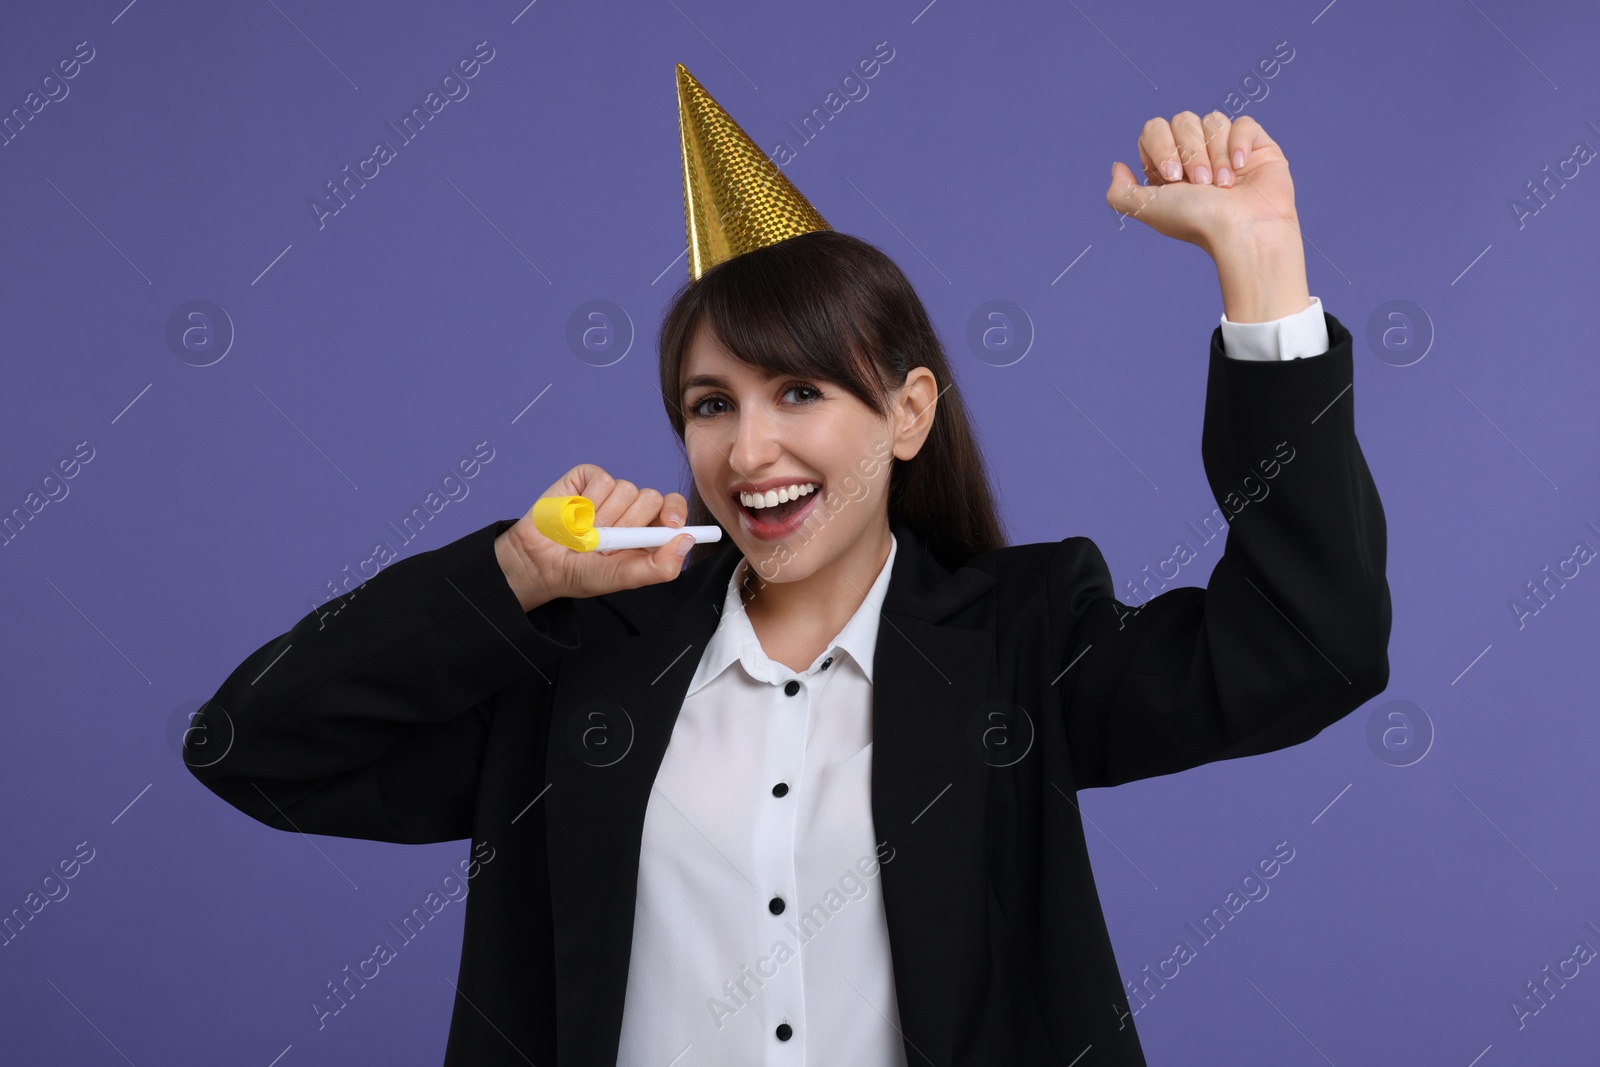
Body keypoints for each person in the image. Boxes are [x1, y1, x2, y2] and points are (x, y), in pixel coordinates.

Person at [187, 64, 1390, 1067]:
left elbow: (1308, 648)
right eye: (711, 403)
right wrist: (512, 579)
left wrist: (1263, 274)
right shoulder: (575, 672)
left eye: (800, 391)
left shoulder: (1019, 646)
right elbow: (251, 748)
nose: (747, 448)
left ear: (907, 411)